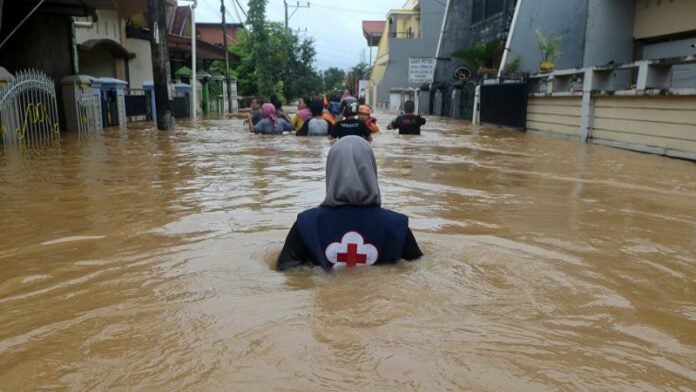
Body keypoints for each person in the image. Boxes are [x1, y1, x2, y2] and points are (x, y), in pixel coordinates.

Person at [276, 136, 422, 271]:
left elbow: (286, 270)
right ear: (371, 169)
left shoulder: (306, 223)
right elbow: (419, 267)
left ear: (331, 170)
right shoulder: (397, 224)